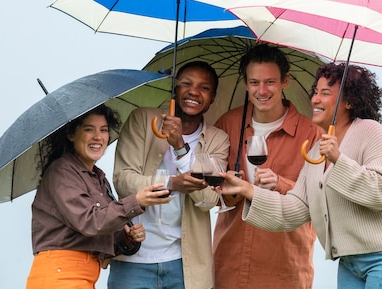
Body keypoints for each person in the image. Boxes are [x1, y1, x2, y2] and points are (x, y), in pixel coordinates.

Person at [216, 63, 382, 289]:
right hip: (352, 261)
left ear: (349, 101)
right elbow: (295, 208)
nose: (315, 99)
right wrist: (246, 189)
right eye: (315, 92)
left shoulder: (370, 131)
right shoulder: (315, 152)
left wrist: (338, 159)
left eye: (325, 93)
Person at [108, 61, 230, 289]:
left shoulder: (218, 139)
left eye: (204, 88)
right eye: (187, 84)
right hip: (133, 260)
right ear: (175, 89)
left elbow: (208, 201)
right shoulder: (143, 120)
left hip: (184, 266)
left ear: (212, 97)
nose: (194, 91)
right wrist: (172, 183)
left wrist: (180, 147)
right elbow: (123, 182)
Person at [212, 43, 323, 289]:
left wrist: (281, 184)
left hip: (286, 269)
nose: (262, 90)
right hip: (229, 266)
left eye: (270, 82)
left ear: (286, 81)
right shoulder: (228, 123)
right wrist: (225, 189)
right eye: (254, 82)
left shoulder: (312, 134)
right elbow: (211, 193)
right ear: (245, 83)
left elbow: (320, 200)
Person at [26, 104, 169, 289]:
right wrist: (136, 201)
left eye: (103, 130)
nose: (98, 137)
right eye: (88, 129)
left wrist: (128, 239)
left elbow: (100, 233)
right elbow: (89, 222)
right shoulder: (62, 171)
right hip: (59, 276)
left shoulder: (98, 177)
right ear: (71, 135)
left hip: (83, 276)